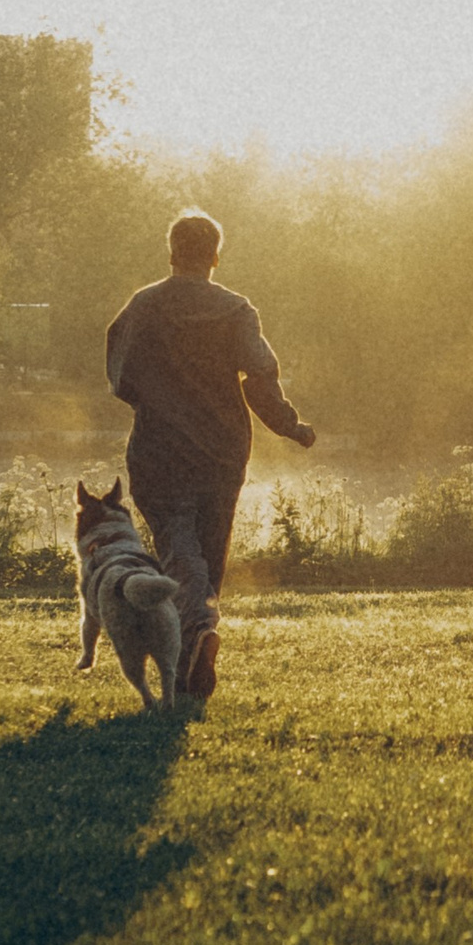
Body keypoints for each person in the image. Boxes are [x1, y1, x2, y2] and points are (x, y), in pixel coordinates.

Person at [104, 209, 315, 701]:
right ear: (215, 255)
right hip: (223, 452)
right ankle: (191, 650)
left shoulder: (142, 307)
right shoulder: (236, 310)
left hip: (158, 449)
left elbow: (121, 378)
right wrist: (291, 427)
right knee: (208, 554)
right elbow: (260, 379)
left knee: (178, 546)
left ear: (172, 253)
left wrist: (157, 401)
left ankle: (197, 630)